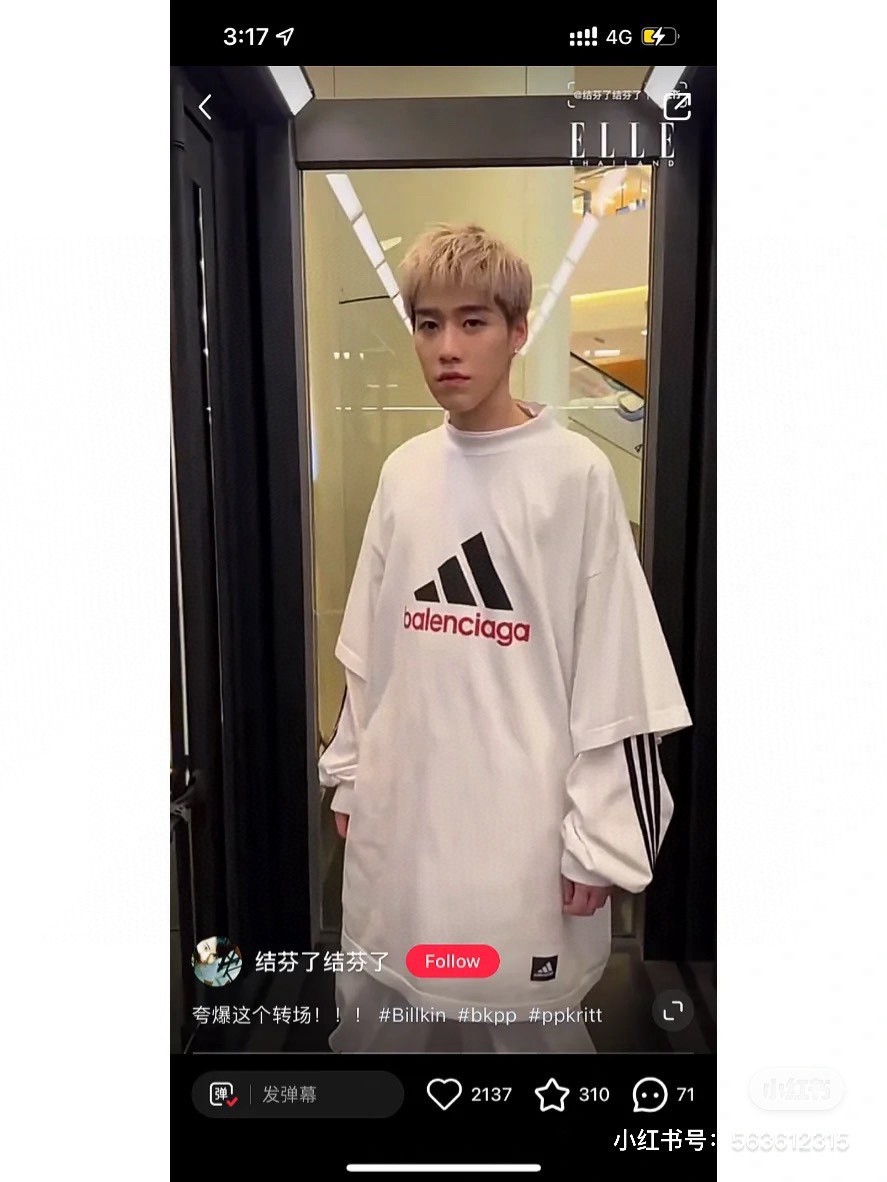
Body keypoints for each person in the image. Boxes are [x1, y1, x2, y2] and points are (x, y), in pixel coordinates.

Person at [318, 223, 691, 1052]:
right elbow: (367, 648)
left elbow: (617, 672)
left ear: (518, 331)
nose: (447, 347)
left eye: (473, 321)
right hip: (402, 821)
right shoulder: (404, 471)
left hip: (519, 837)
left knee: (527, 1043)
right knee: (382, 1026)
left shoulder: (574, 475)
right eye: (428, 324)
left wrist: (602, 839)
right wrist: (349, 775)